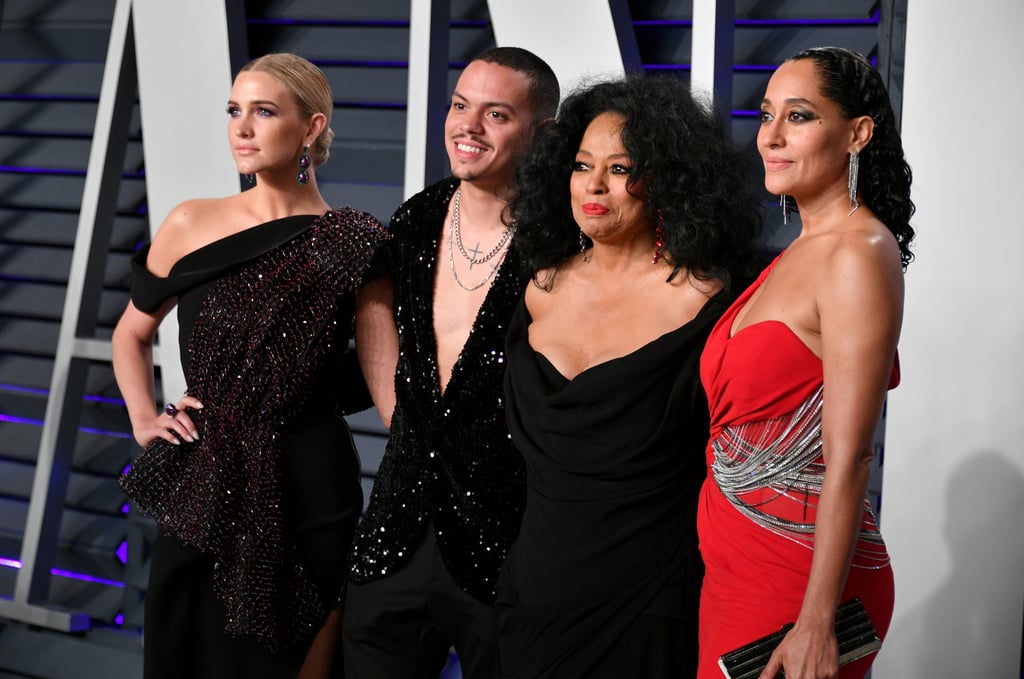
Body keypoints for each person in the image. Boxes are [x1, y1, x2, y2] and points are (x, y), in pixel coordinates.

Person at [112, 53, 387, 679]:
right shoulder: (190, 222)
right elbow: (131, 335)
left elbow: (380, 374)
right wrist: (143, 417)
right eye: (235, 111)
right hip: (205, 478)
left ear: (311, 128)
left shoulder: (351, 240)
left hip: (311, 484)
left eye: (263, 112)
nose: (242, 127)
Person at [495, 76, 761, 678]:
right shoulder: (537, 285)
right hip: (532, 595)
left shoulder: (708, 302)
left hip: (647, 604)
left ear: (668, 178)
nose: (594, 185)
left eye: (621, 168)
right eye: (583, 165)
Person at [696, 46, 915, 679]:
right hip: (736, 562)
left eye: (799, 116)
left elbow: (849, 455)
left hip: (797, 580)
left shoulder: (858, 253)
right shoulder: (797, 251)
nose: (771, 136)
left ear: (858, 133)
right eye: (767, 116)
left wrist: (817, 622)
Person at [341, 47, 559, 678]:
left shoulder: (562, 235)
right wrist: (398, 413)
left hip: (508, 535)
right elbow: (374, 304)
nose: (468, 126)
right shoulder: (418, 217)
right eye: (461, 106)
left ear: (541, 133)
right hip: (396, 527)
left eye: (496, 114)